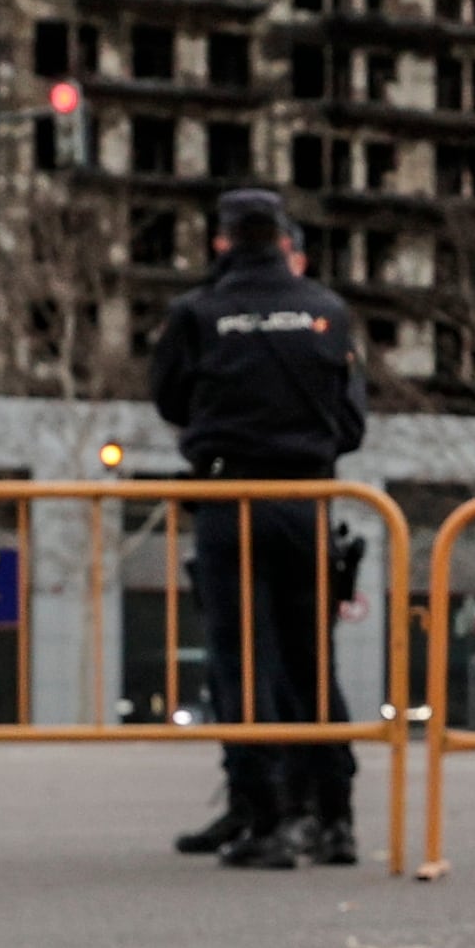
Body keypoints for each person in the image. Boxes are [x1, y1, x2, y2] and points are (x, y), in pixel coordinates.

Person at [146, 188, 369, 868]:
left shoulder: (197, 312)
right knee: (311, 665)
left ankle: (265, 819)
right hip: (308, 501)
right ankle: (334, 820)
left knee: (243, 665)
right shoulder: (327, 311)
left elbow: (168, 398)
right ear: (280, 238)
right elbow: (351, 421)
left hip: (231, 495)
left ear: (221, 241)